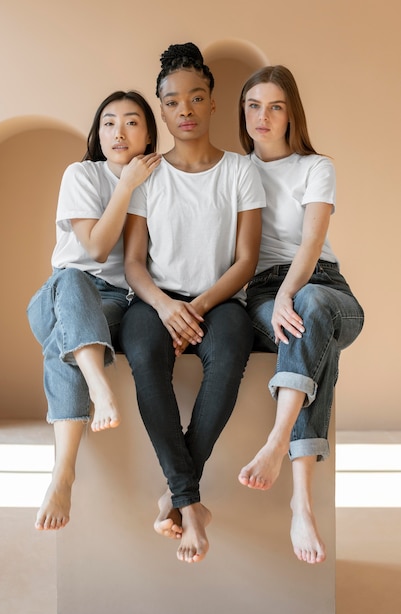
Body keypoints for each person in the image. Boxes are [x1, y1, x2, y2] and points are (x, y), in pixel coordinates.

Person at [120, 42, 265, 563]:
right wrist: (164, 306)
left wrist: (197, 307)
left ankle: (179, 495)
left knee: (230, 354)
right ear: (162, 108)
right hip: (155, 301)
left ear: (212, 104)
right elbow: (134, 262)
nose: (185, 109)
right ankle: (190, 502)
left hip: (220, 300)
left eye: (195, 98)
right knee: (143, 358)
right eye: (173, 101)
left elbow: (246, 261)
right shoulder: (147, 173)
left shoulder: (240, 171)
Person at [236, 65, 364, 563]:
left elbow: (312, 242)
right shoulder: (235, 169)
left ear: (292, 114)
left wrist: (291, 293)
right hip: (264, 295)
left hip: (326, 287)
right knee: (313, 337)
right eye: (252, 106)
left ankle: (276, 441)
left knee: (311, 306)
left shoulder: (317, 167)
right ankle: (301, 502)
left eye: (274, 106)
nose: (261, 117)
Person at [27, 90, 160, 530]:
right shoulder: (81, 174)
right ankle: (99, 388)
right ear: (97, 131)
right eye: (108, 122)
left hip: (116, 305)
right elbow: (97, 248)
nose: (118, 132)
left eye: (131, 122)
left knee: (63, 343)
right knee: (72, 278)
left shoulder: (159, 180)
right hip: (62, 291)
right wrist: (125, 184)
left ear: (148, 132)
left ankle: (62, 473)